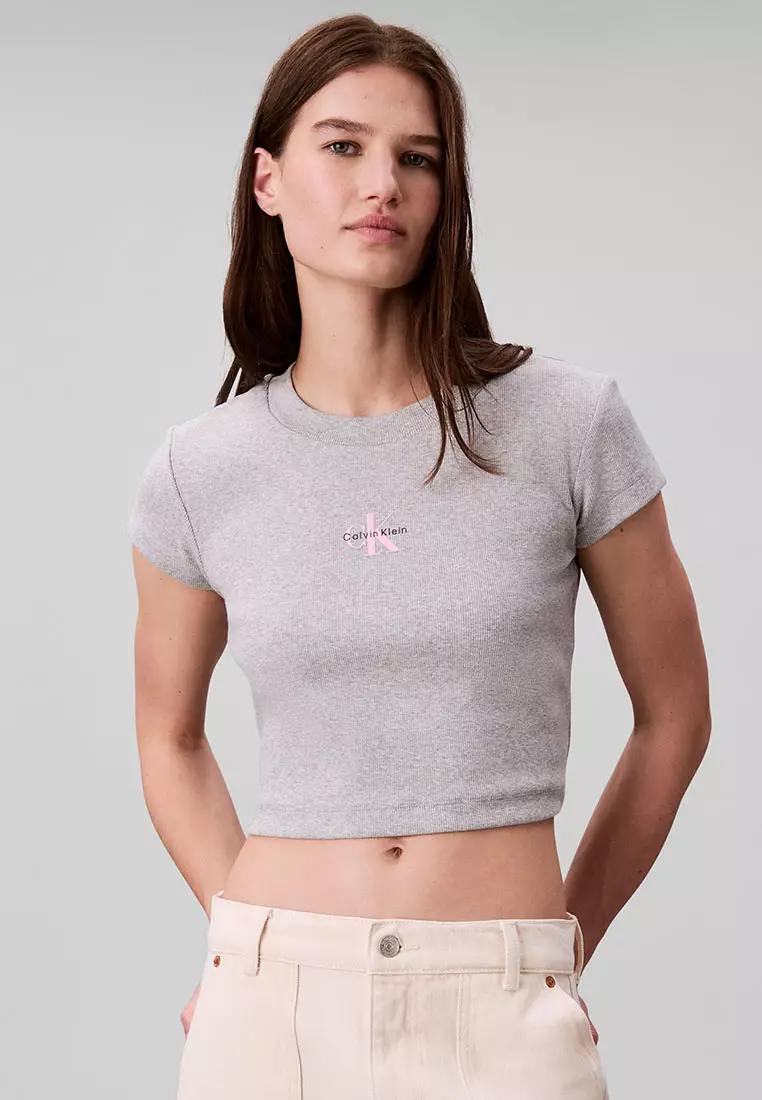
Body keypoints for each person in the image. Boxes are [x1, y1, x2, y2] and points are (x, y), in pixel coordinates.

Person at [127, 14, 710, 1100]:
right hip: (274, 1010)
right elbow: (169, 737)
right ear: (267, 180)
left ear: (447, 193)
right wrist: (237, 943)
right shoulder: (199, 471)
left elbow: (676, 715)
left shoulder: (567, 425)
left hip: (503, 1000)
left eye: (418, 158)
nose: (382, 184)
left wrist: (561, 947)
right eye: (343, 146)